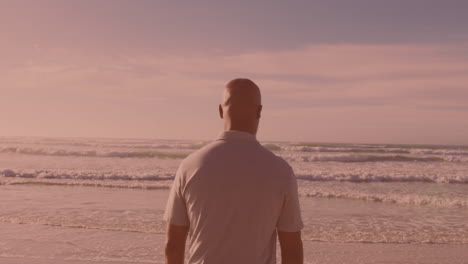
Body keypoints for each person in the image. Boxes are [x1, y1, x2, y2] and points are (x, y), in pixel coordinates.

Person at [163, 78, 304, 264]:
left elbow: (173, 244)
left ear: (221, 111)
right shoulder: (280, 171)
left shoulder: (190, 165)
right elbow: (292, 250)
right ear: (259, 111)